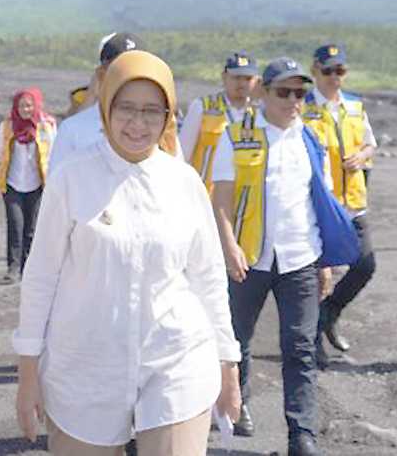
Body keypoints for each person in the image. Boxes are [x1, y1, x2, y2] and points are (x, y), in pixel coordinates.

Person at [14, 50, 240, 455]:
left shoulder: (184, 183)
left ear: (169, 115)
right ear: (105, 107)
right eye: (126, 109)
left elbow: (207, 277)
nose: (138, 124)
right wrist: (28, 371)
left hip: (176, 357)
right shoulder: (72, 179)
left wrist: (228, 361)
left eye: (152, 111)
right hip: (85, 365)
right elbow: (41, 276)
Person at [212, 58, 359, 456]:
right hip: (249, 260)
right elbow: (221, 199)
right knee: (236, 340)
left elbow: (320, 206)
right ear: (263, 93)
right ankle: (235, 407)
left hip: (301, 259)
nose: (294, 100)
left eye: (301, 92)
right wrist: (229, 246)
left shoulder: (311, 139)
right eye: (284, 92)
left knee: (300, 347)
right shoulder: (235, 136)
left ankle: (302, 437)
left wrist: (325, 263)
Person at [301, 44, 377, 367]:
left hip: (354, 202)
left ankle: (329, 314)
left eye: (339, 71)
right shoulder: (302, 108)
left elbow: (370, 143)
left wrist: (362, 156)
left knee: (366, 264)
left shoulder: (355, 106)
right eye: (328, 71)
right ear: (315, 70)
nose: (334, 77)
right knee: (320, 277)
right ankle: (313, 341)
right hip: (320, 205)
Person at [47, 32, 159, 170]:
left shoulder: (162, 128)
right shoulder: (72, 129)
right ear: (102, 74)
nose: (128, 79)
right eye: (119, 70)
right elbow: (56, 187)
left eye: (137, 70)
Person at [0, 88, 57, 283]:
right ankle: (13, 267)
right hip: (13, 183)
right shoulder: (7, 126)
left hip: (37, 184)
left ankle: (29, 267)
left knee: (32, 228)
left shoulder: (46, 126)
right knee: (15, 225)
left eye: (29, 105)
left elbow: (53, 151)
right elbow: (0, 150)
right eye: (22, 105)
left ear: (36, 105)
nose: (25, 109)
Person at [180, 52, 259, 191]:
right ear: (224, 77)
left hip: (245, 200)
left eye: (247, 78)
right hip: (206, 195)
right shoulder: (203, 107)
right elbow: (182, 155)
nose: (241, 83)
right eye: (236, 77)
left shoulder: (259, 113)